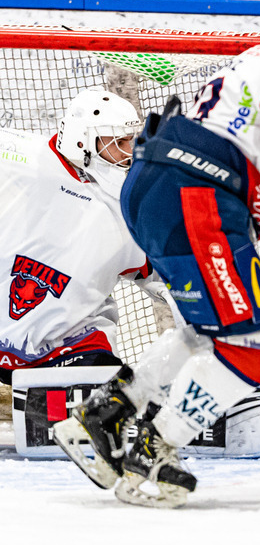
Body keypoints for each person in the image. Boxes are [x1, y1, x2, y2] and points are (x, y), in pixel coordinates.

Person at [53, 0, 260, 508]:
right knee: (256, 348)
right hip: (196, 195)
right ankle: (153, 450)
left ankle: (99, 422)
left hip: (155, 186)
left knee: (205, 332)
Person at [0, 91, 152, 419]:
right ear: (83, 141)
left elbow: (167, 277)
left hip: (67, 348)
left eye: (130, 141)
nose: (128, 153)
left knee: (104, 413)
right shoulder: (21, 155)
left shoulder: (132, 207)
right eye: (117, 143)